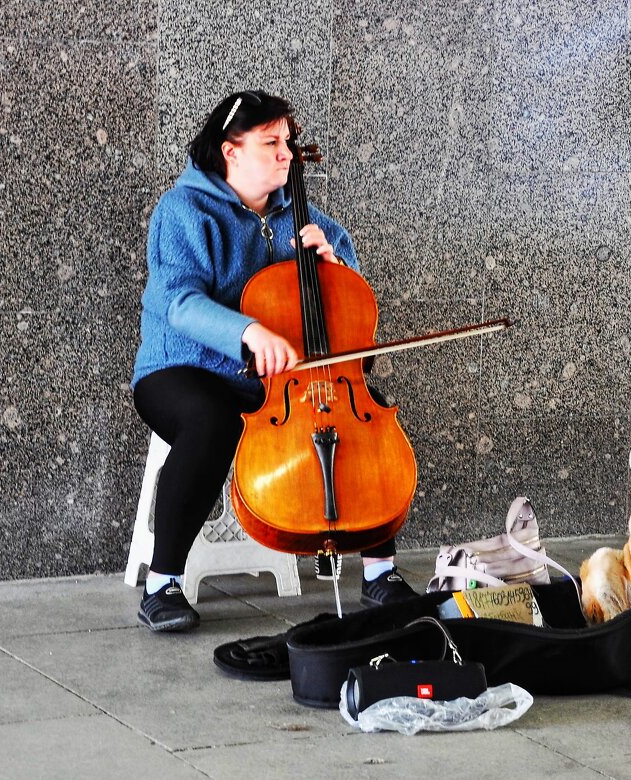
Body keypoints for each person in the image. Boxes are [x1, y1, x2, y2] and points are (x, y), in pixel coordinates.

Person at [130, 90, 419, 632]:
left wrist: (334, 270)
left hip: (285, 383)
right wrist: (248, 331)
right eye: (270, 143)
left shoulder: (316, 226)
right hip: (185, 368)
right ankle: (162, 582)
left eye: (287, 142)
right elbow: (180, 303)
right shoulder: (184, 211)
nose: (286, 154)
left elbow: (352, 322)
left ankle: (380, 572)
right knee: (208, 421)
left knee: (367, 413)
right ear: (230, 152)